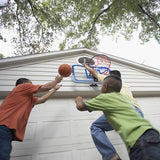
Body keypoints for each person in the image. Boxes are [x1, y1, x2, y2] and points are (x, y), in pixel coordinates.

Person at [75, 74, 160, 160]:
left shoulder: (105, 97)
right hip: (152, 134)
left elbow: (81, 107)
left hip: (140, 140)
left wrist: (79, 100)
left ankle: (111, 156)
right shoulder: (125, 99)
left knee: (95, 126)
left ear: (105, 87)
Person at [83, 60, 144, 160]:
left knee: (96, 127)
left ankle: (111, 156)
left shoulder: (109, 81)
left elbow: (94, 72)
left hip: (122, 109)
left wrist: (86, 66)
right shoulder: (125, 84)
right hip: (138, 112)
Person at [0, 75, 63, 160]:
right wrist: (56, 81)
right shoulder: (22, 87)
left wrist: (54, 89)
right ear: (24, 83)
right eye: (31, 83)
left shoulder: (27, 98)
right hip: (3, 127)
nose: (32, 86)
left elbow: (42, 99)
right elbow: (45, 87)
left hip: (6, 130)